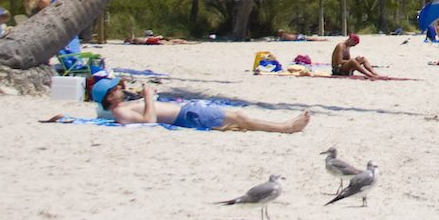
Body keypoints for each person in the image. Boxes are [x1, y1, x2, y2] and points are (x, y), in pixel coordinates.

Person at [92, 76, 310, 132]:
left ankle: (285, 125)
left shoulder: (121, 107)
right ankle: (286, 127)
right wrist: (148, 97)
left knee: (237, 118)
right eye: (116, 89)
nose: (120, 89)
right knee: (239, 118)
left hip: (187, 112)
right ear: (109, 97)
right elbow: (148, 122)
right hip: (187, 116)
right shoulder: (120, 112)